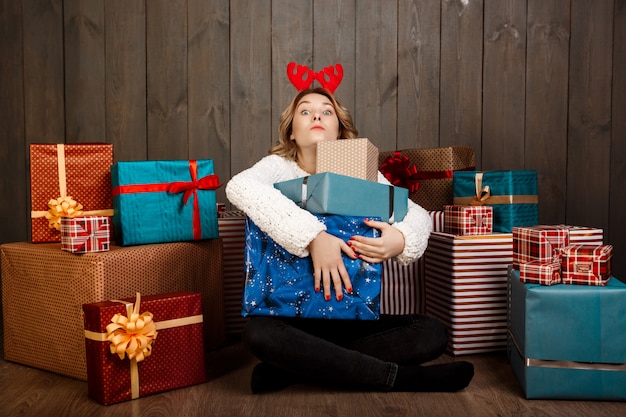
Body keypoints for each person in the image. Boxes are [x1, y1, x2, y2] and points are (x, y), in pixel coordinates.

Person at [225, 86, 474, 393]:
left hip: (352, 315)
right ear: (291, 133)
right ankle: (399, 378)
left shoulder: (360, 170)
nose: (317, 114)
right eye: (305, 111)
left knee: (431, 332)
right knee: (257, 333)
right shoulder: (278, 167)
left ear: (340, 132)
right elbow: (240, 187)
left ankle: (291, 371)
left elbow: (416, 215)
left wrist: (401, 239)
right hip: (289, 320)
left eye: (326, 111)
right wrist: (314, 237)